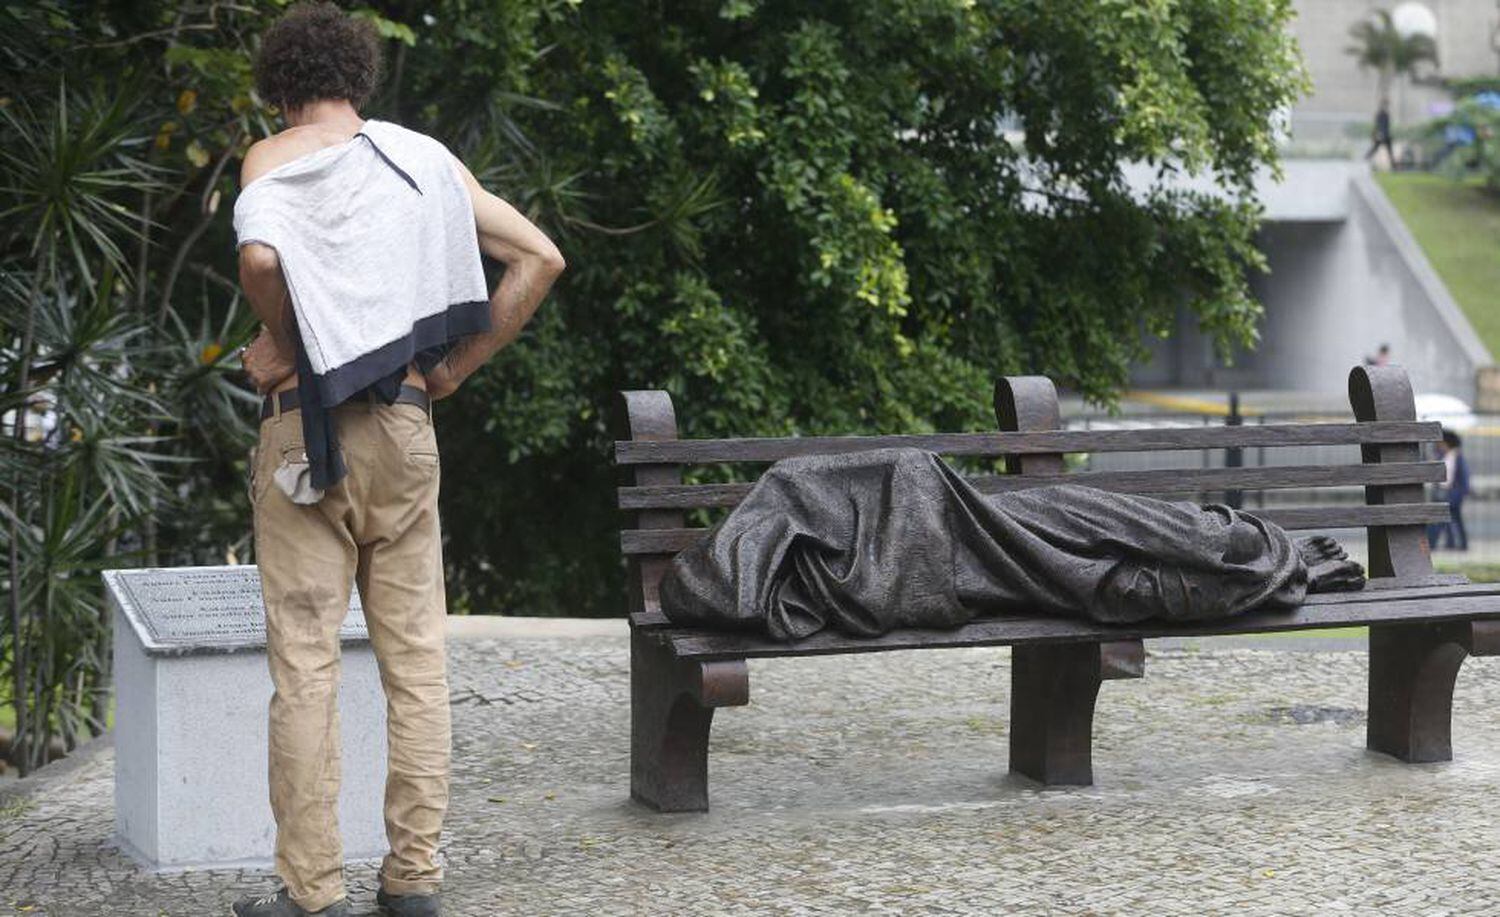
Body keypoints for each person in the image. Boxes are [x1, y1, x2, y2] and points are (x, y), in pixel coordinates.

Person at [231, 4, 565, 916]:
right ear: (358, 78)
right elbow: (539, 256)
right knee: (416, 663)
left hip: (308, 432)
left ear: (281, 87)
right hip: (409, 431)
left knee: (306, 667)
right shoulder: (425, 159)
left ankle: (312, 894)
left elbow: (262, 256)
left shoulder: (274, 158)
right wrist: (453, 369)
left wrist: (286, 338)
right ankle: (413, 879)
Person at [1428, 430, 1471, 552]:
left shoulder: (1457, 457)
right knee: (1449, 520)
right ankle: (1452, 543)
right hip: (1442, 492)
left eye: (1441, 443)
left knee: (1445, 520)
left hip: (1452, 494)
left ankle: (1433, 544)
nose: (1438, 445)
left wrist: (1459, 494)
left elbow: (1463, 478)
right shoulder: (1443, 456)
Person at [1366, 97, 1394, 167]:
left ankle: (1394, 165)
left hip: (1385, 135)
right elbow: (1379, 125)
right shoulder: (1381, 114)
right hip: (1382, 135)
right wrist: (1379, 134)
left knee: (1388, 151)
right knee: (1376, 149)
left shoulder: (1384, 114)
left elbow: (1385, 126)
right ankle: (1365, 159)